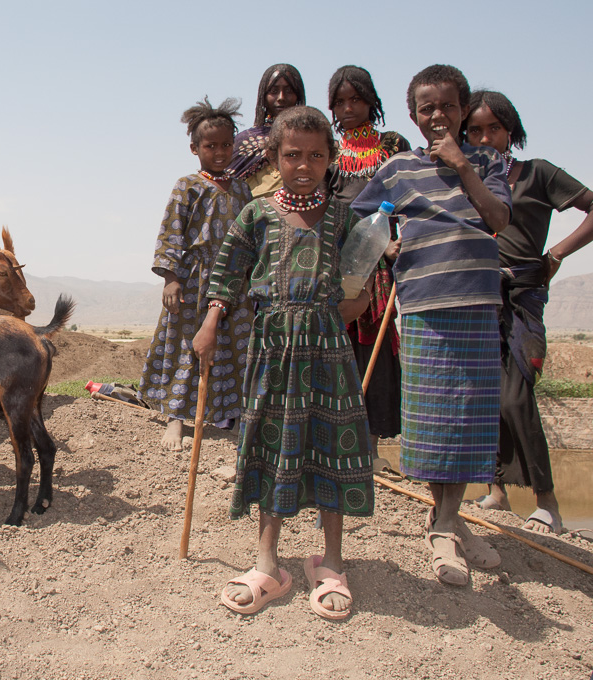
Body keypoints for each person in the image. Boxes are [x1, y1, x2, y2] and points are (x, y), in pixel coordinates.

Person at [194, 106, 373, 620]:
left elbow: (361, 273)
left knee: (331, 445)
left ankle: (332, 562)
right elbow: (228, 273)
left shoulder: (345, 218)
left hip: (328, 348)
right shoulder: (255, 213)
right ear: (274, 156)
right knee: (272, 446)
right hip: (272, 347)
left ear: (330, 159)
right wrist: (210, 322)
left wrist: (359, 300)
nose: (304, 164)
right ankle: (268, 563)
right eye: (292, 154)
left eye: (317, 155)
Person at [352, 65, 510, 586]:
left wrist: (462, 164)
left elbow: (497, 220)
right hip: (423, 305)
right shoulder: (397, 167)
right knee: (437, 417)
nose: (437, 115)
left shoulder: (488, 161)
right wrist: (386, 243)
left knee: (470, 417)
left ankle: (448, 521)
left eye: (446, 105)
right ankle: (444, 525)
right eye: (426, 108)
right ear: (414, 116)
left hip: (478, 301)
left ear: (463, 109)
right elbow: (360, 215)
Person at [463, 90, 593, 534]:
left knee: (516, 396)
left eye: (493, 128)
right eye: (474, 130)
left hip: (522, 293)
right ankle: (496, 491)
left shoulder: (537, 174)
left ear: (510, 130)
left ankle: (548, 502)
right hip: (477, 294)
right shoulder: (463, 180)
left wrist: (556, 253)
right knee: (484, 395)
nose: (484, 138)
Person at [138, 97, 254, 451]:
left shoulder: (242, 188)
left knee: (236, 348)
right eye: (210, 145)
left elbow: (252, 235)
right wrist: (170, 278)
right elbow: (171, 231)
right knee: (185, 347)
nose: (219, 152)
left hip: (236, 282)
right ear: (194, 148)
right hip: (195, 280)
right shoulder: (186, 185)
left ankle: (232, 416)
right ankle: (176, 418)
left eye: (226, 144)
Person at [326, 65, 411, 459]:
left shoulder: (393, 144)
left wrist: (395, 240)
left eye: (355, 99)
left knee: (373, 345)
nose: (348, 108)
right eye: (340, 101)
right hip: (337, 259)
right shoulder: (328, 148)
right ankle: (336, 437)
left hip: (382, 258)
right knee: (335, 344)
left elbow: (410, 196)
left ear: (371, 101)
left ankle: (371, 445)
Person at [228, 64, 306, 199]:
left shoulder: (310, 139)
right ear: (263, 96)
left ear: (298, 96)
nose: (281, 97)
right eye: (274, 91)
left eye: (288, 91)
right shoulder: (245, 141)